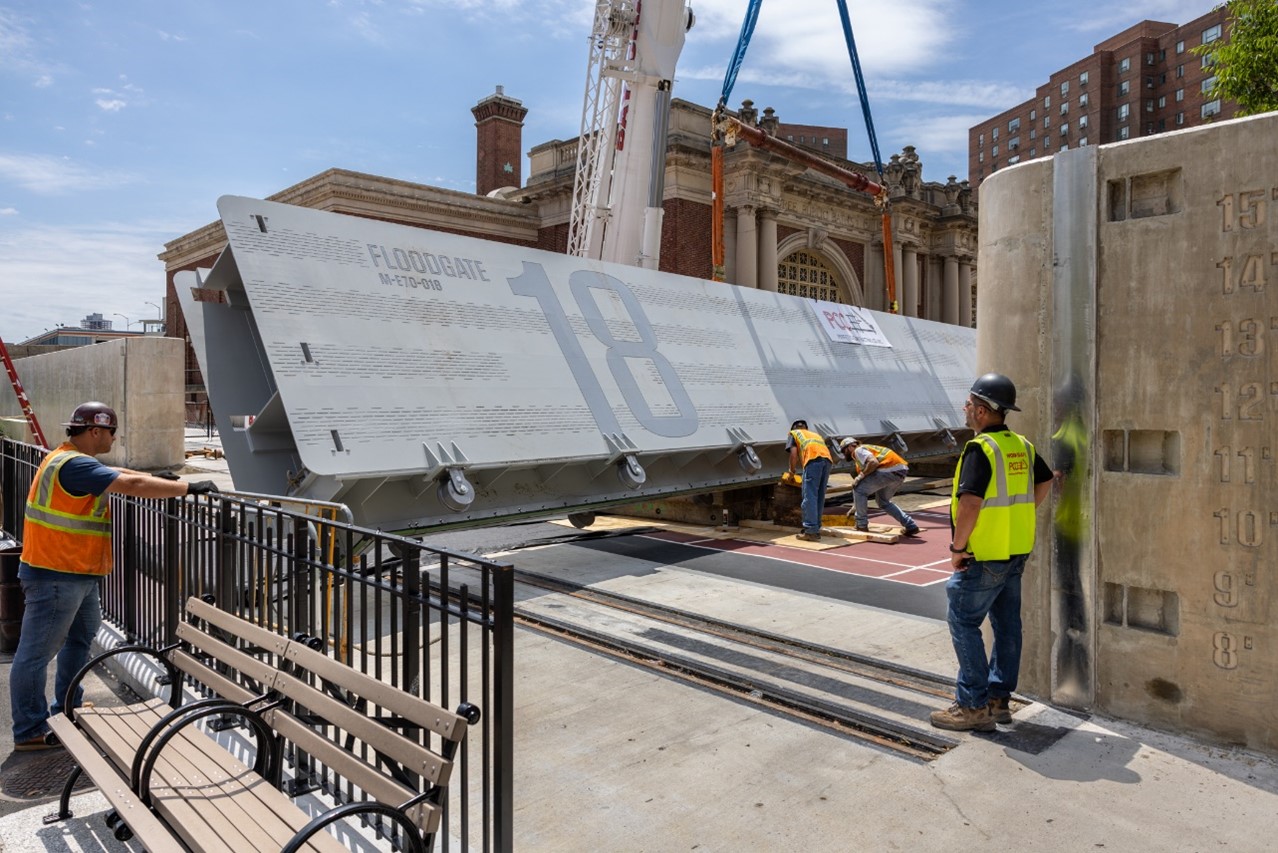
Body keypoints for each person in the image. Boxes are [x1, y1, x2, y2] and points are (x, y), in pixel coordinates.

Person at [10, 402, 220, 751]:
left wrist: (160, 479)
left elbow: (116, 472)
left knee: (79, 641)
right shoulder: (75, 465)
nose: (114, 438)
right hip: (56, 575)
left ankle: (68, 707)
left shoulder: (68, 458)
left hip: (76, 572)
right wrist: (188, 488)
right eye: (112, 432)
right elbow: (130, 482)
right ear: (95, 431)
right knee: (35, 654)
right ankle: (29, 729)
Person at [930, 374, 1053, 732]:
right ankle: (999, 701)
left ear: (982, 411)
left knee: (963, 621)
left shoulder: (980, 449)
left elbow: (970, 503)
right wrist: (1020, 515)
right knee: (1007, 626)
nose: (965, 409)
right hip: (1016, 552)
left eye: (969, 404)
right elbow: (1045, 479)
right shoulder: (1021, 446)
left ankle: (973, 706)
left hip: (984, 556)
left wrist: (957, 548)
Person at [837, 437, 921, 536]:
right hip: (900, 472)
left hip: (888, 470)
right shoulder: (865, 453)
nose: (844, 454)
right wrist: (854, 508)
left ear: (850, 446)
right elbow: (864, 488)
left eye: (844, 451)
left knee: (859, 489)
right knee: (883, 501)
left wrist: (860, 476)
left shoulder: (858, 450)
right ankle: (910, 525)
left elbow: (873, 462)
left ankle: (861, 524)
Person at [786, 419, 833, 542]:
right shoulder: (815, 435)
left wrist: (791, 472)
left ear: (794, 428)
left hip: (813, 460)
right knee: (819, 496)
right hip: (827, 461)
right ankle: (816, 527)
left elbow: (793, 454)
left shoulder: (794, 434)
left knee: (810, 496)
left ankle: (811, 530)